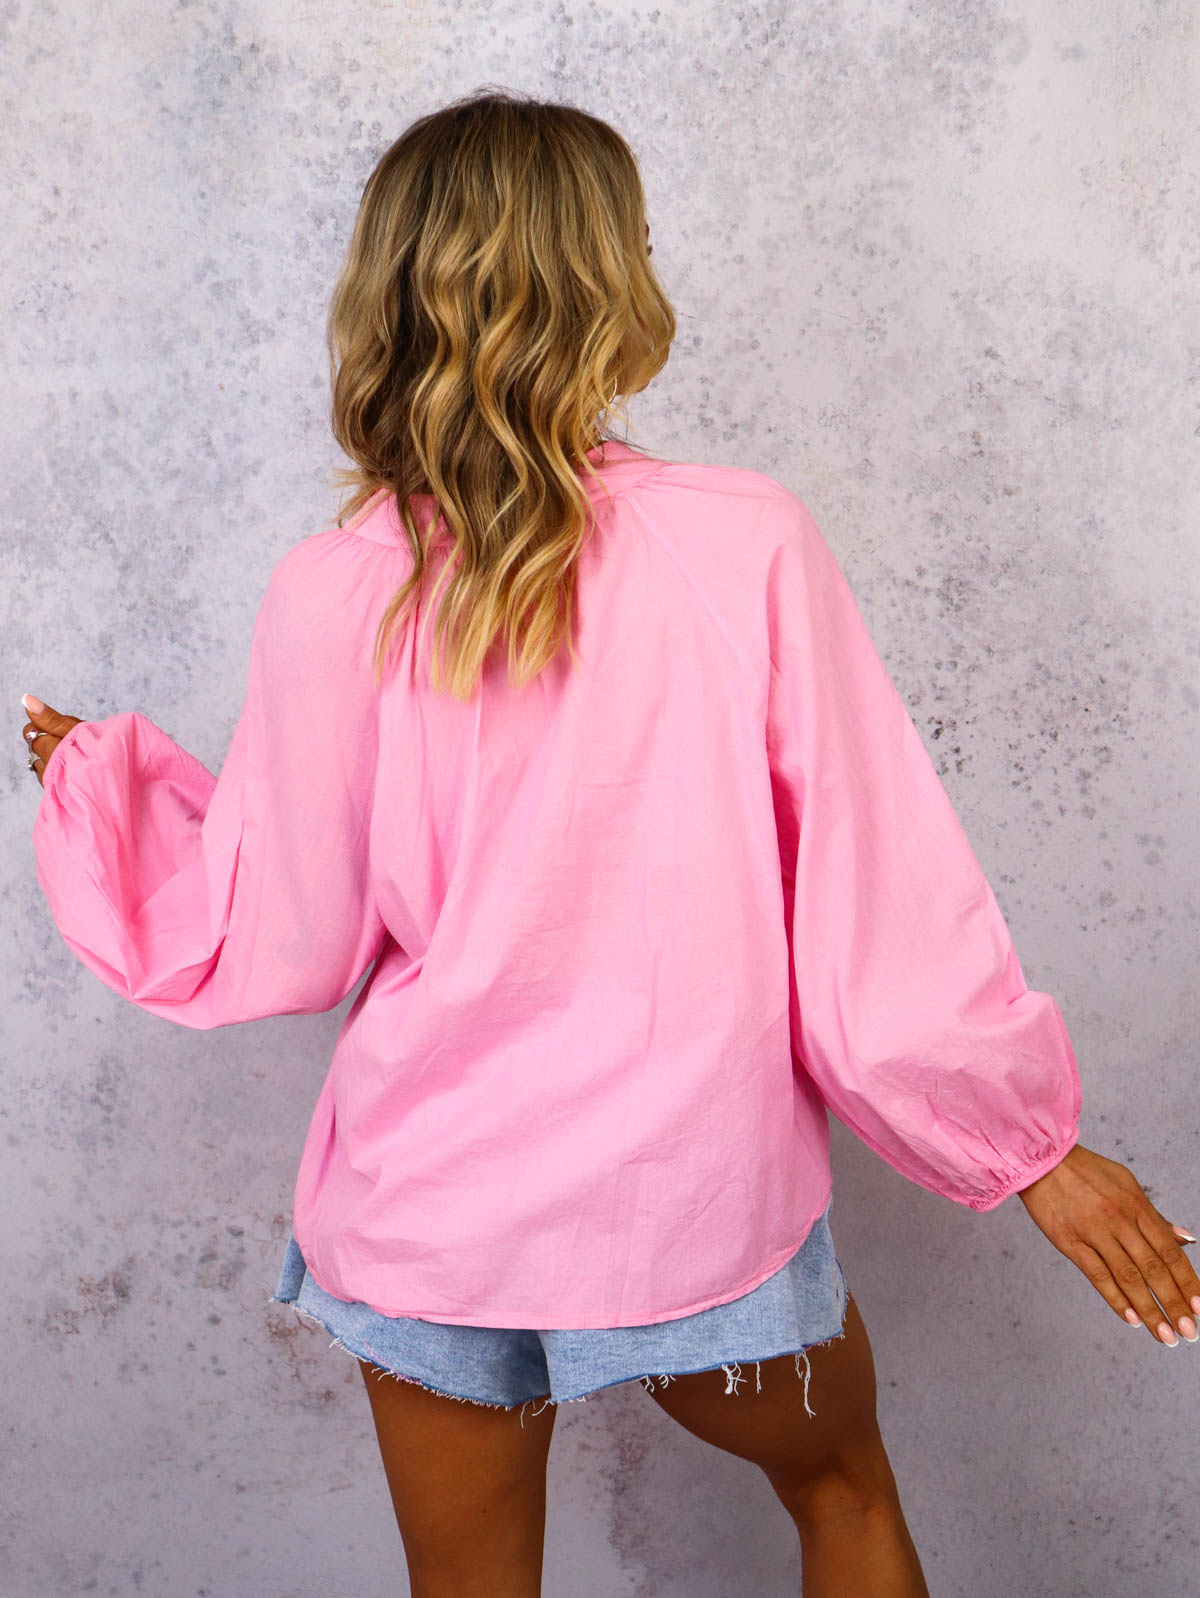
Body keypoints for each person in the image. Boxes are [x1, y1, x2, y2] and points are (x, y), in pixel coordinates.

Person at [22, 89, 1200, 1598]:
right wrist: (1031, 1150)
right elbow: (872, 901)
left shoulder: (332, 588)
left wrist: (106, 793)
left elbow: (274, 932)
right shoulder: (742, 542)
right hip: (691, 1198)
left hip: (435, 1204)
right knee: (842, 1494)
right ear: (606, 283)